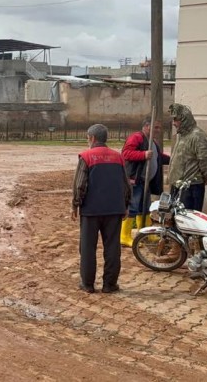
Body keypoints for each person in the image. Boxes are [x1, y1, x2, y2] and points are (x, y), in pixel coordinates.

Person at [71, 124, 131, 294]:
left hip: (91, 210)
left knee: (88, 247)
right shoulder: (118, 157)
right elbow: (126, 185)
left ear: (92, 138)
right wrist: (126, 205)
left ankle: (88, 284)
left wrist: (75, 204)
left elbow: (80, 184)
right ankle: (109, 284)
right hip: (114, 209)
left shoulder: (86, 157)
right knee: (112, 247)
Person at [120, 118, 170, 247]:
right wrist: (143, 155)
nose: (159, 131)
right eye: (156, 128)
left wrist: (172, 159)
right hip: (134, 180)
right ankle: (124, 236)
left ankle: (145, 233)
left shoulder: (152, 142)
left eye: (159, 128)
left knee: (145, 208)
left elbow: (158, 157)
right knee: (133, 207)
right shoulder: (136, 138)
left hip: (146, 181)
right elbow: (126, 154)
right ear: (148, 126)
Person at [168, 103, 207, 211]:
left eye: (176, 120)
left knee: (188, 221)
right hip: (178, 186)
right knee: (175, 221)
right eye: (173, 120)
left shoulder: (198, 136)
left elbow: (206, 162)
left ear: (185, 119)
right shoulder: (182, 135)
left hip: (191, 188)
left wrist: (205, 178)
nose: (174, 123)